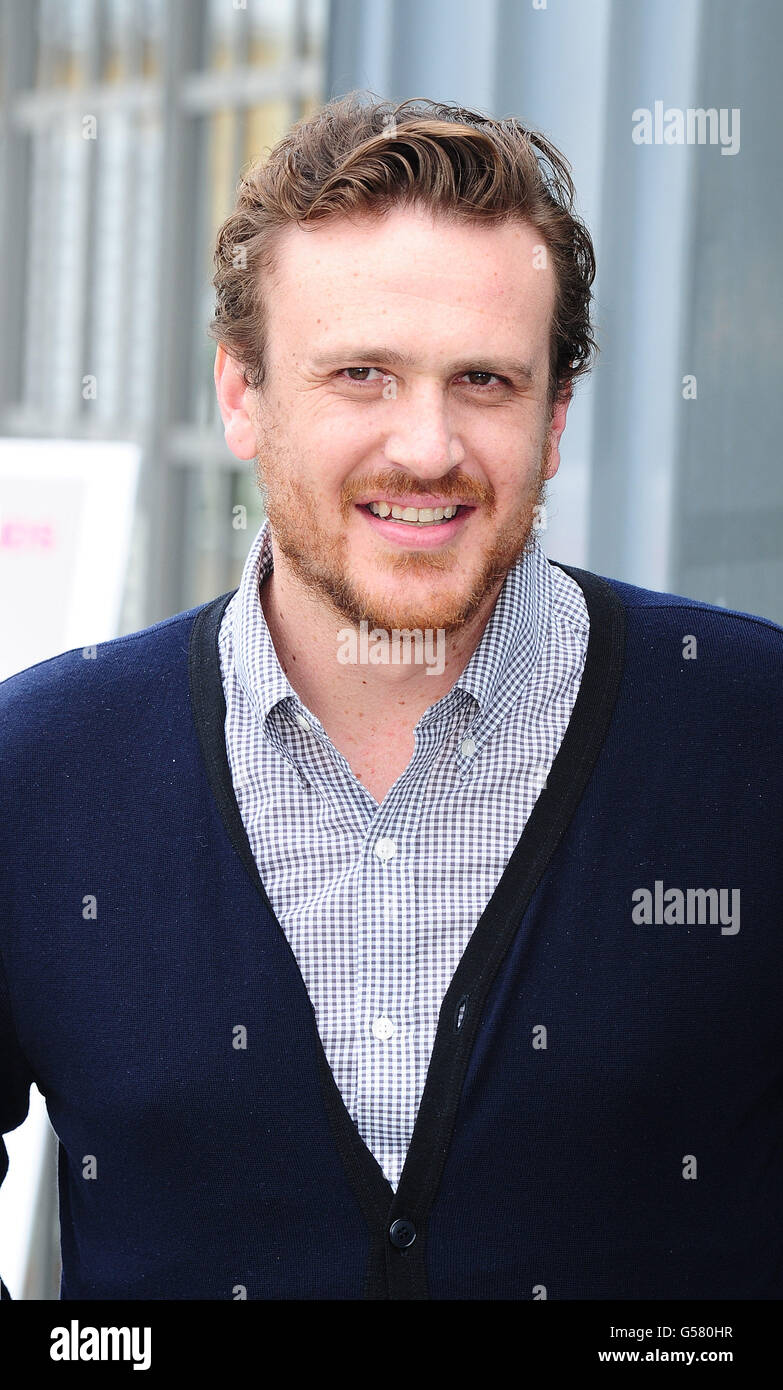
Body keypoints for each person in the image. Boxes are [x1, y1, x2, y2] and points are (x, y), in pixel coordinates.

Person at [1, 92, 781, 1301]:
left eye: (484, 380)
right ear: (242, 394)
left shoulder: (754, 736)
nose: (425, 447)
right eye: (362, 374)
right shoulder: (37, 772)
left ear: (556, 416)